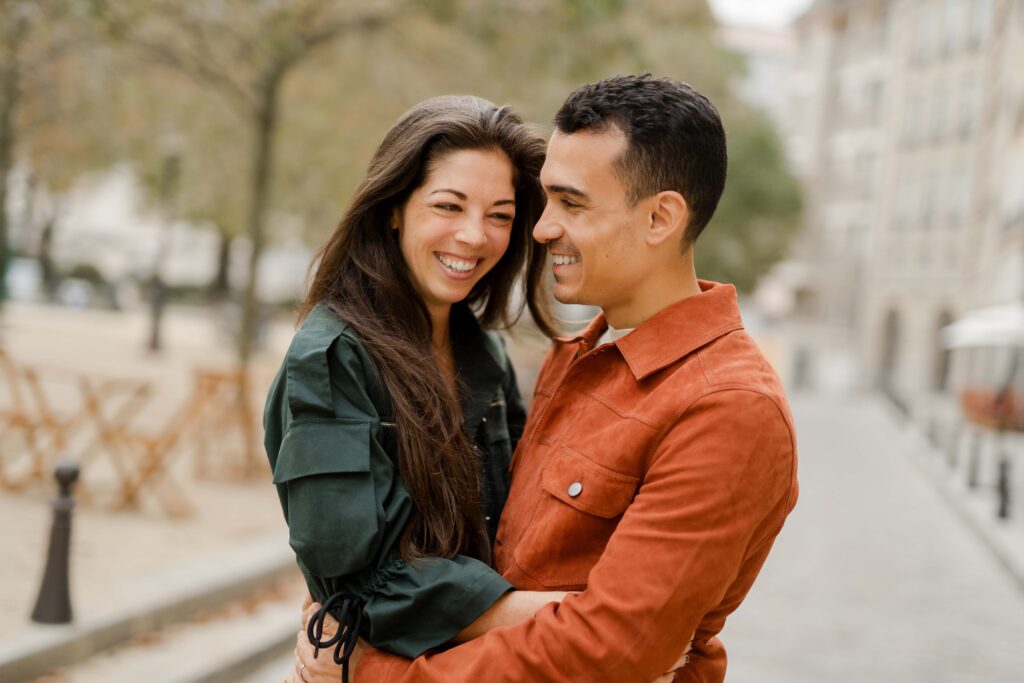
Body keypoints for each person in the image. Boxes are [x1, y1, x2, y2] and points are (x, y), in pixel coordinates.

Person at [294, 74, 799, 683]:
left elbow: (611, 648)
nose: (539, 229)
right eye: (545, 201)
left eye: (572, 203)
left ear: (662, 217)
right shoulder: (575, 357)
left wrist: (375, 673)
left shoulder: (728, 406)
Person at [265, 95, 574, 681]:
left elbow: (519, 528)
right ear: (393, 209)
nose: (474, 236)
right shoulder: (332, 359)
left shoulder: (484, 355)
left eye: (501, 215)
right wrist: (574, 618)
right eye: (448, 205)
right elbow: (365, 585)